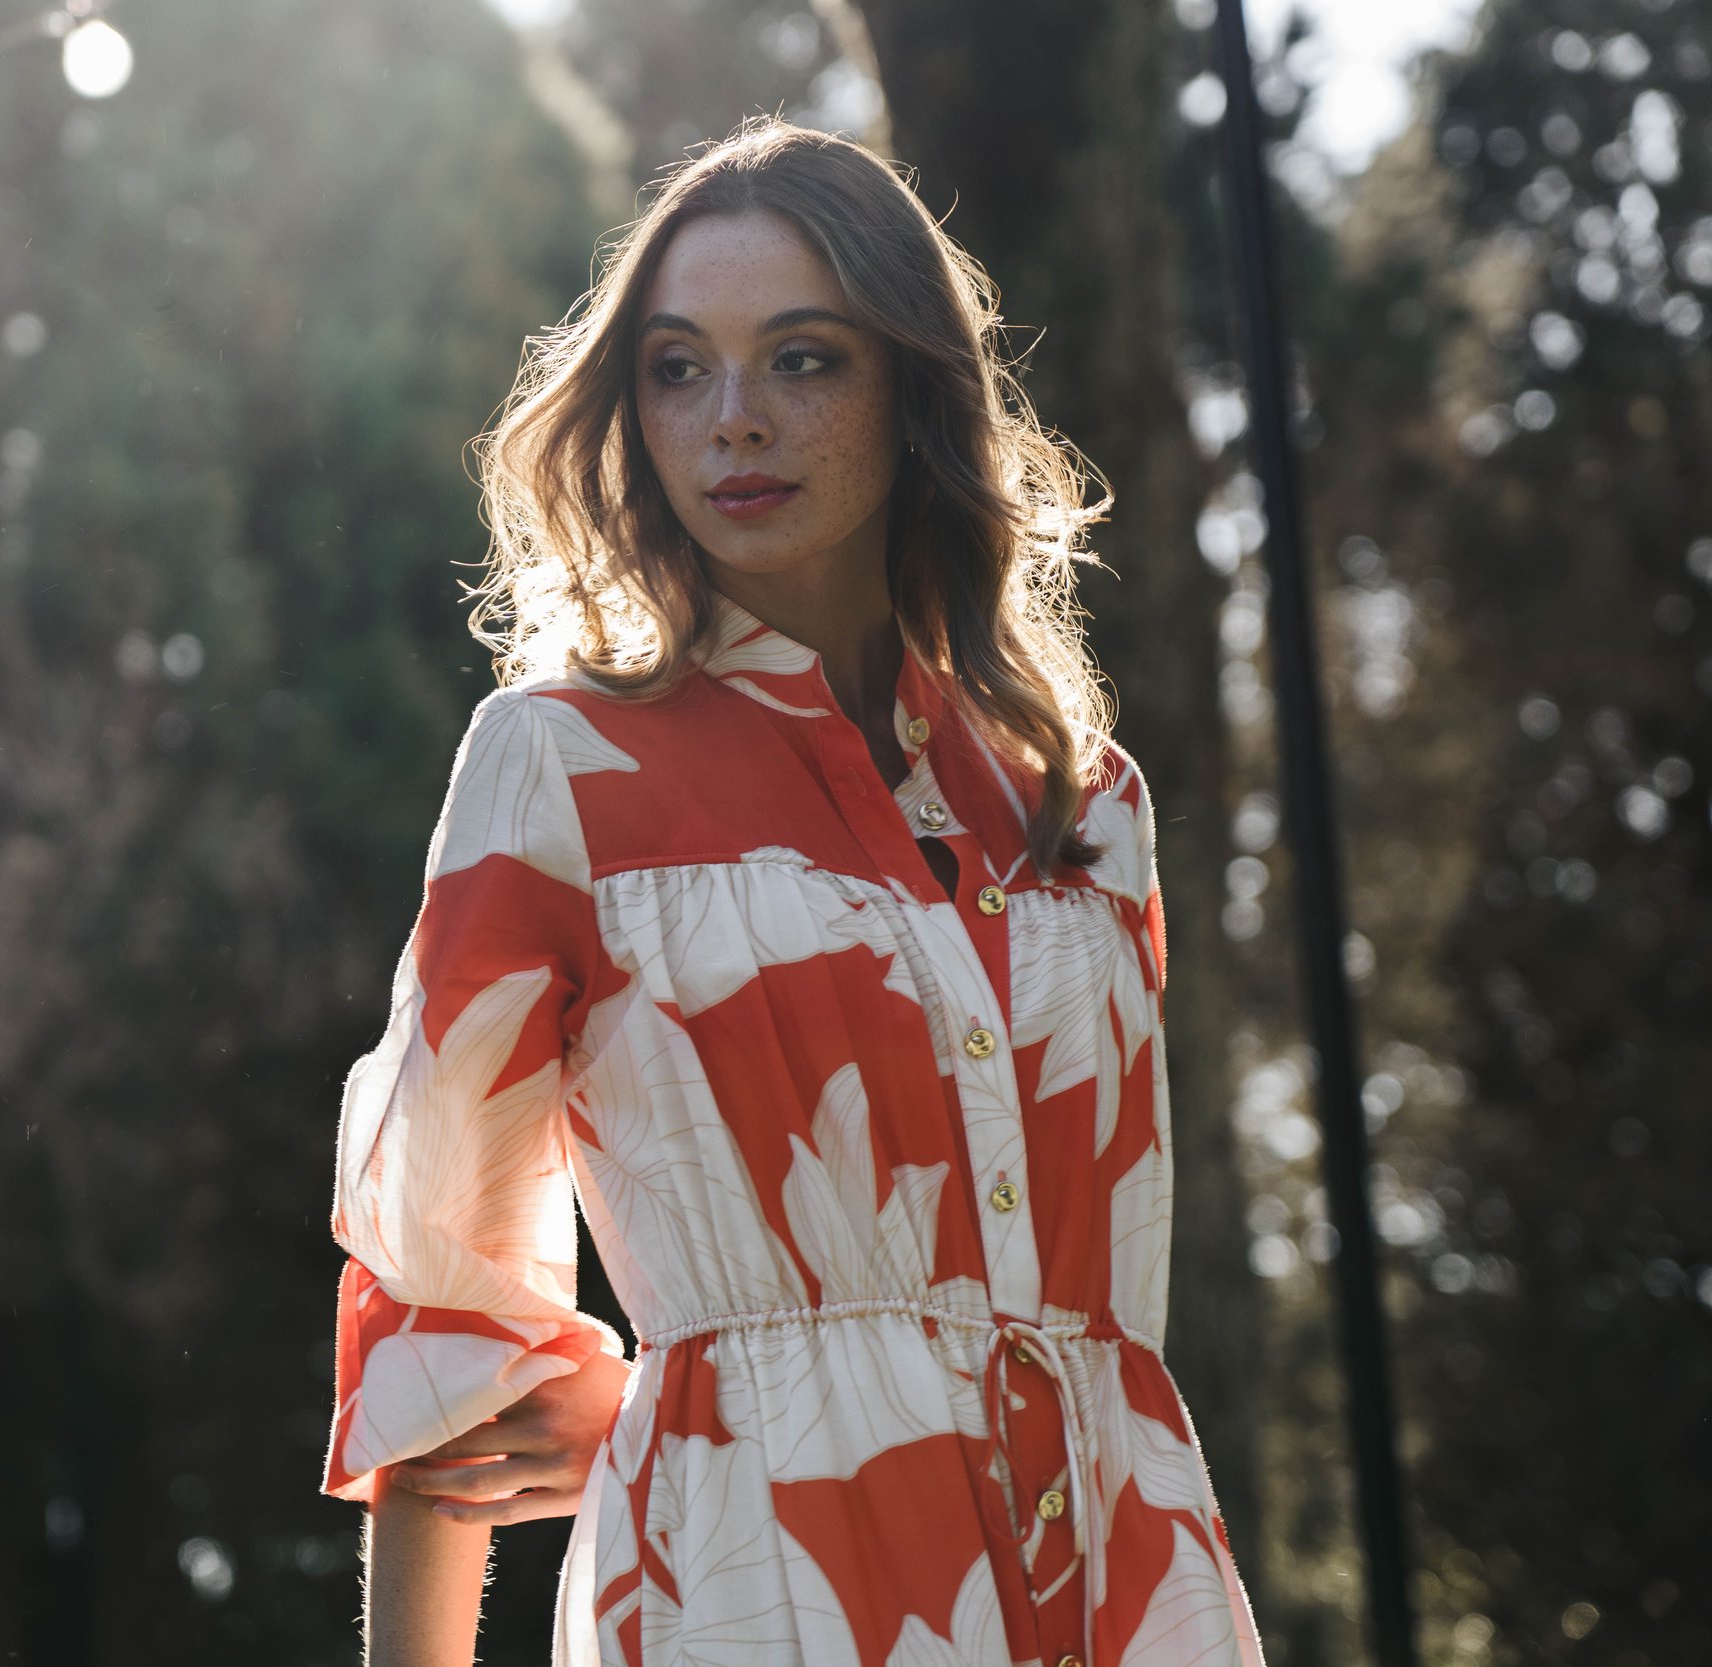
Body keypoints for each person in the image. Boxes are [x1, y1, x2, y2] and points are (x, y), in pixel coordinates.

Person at [320, 116, 1265, 1667]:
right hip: (758, 1598)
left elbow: (1072, 1303)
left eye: (804, 360)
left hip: (1123, 1590)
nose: (734, 420)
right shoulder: (559, 765)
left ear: (912, 387)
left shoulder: (1083, 806)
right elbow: (441, 1317)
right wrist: (697, 1382)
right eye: (677, 369)